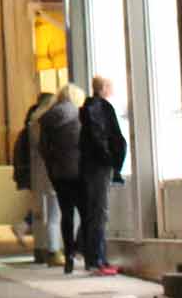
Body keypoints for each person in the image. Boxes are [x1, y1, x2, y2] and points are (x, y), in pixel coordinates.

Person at [81, 77, 129, 277]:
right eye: (111, 86)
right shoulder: (102, 108)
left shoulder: (86, 108)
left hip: (89, 165)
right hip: (100, 166)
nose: (113, 89)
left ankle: (92, 257)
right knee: (100, 211)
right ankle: (98, 260)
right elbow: (107, 136)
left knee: (93, 211)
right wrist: (111, 159)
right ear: (104, 89)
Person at [39, 84, 87, 274]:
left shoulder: (48, 118)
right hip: (80, 171)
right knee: (87, 213)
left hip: (59, 173)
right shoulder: (80, 115)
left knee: (66, 215)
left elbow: (43, 149)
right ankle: (78, 247)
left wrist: (52, 168)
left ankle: (68, 257)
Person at [15, 92, 64, 268]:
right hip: (53, 174)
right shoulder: (50, 124)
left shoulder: (33, 124)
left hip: (39, 176)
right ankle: (54, 251)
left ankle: (43, 249)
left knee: (41, 214)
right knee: (54, 215)